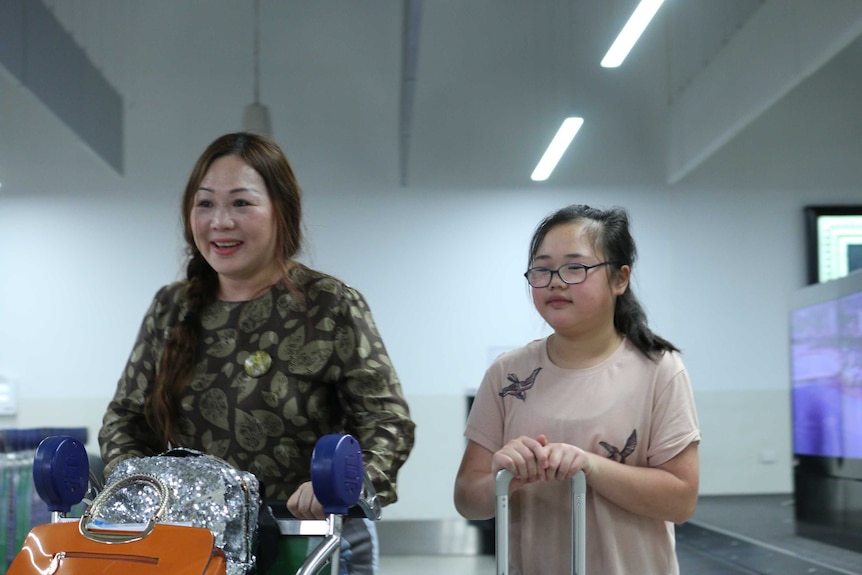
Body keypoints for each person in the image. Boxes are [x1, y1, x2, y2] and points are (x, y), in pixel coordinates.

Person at [99, 131, 416, 574]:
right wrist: (141, 489)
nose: (220, 222)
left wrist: (344, 485)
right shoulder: (172, 308)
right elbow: (126, 420)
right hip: (193, 546)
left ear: (282, 211)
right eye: (205, 203)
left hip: (305, 539)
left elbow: (388, 422)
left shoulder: (328, 304)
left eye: (241, 203)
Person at [454, 204, 700, 575]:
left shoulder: (659, 370)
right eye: (542, 268)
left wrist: (590, 466)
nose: (555, 281)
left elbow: (681, 500)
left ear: (620, 279)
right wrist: (506, 475)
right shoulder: (507, 373)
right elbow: (468, 499)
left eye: (575, 267)